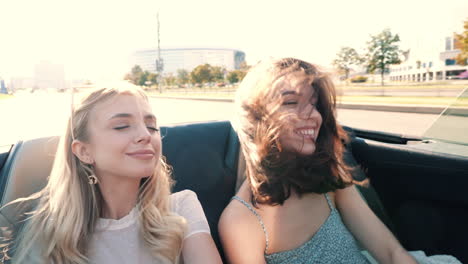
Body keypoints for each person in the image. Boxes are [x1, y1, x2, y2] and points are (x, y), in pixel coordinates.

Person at [218, 58, 460, 264]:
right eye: (291, 103)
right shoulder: (242, 220)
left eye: (314, 104)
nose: (312, 115)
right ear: (255, 118)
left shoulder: (328, 177)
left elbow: (390, 252)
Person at [1, 84, 222, 264]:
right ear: (84, 151)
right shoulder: (50, 231)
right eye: (122, 126)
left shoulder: (181, 208)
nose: (145, 135)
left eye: (151, 126)